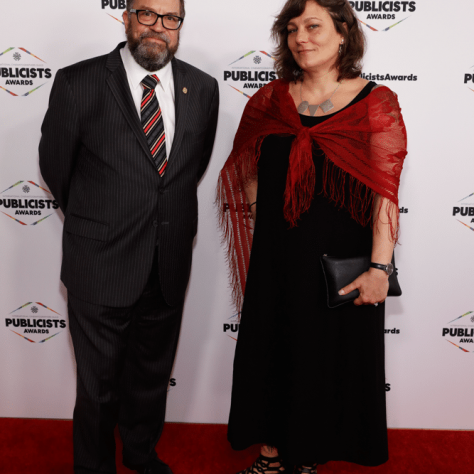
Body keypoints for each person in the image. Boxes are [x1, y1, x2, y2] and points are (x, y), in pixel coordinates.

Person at [217, 0, 407, 473]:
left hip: (339, 265)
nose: (301, 37)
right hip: (277, 259)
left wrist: (380, 268)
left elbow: (386, 192)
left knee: (322, 359)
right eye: (292, 28)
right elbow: (248, 170)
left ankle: (306, 457)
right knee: (270, 352)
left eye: (313, 26)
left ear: (344, 33)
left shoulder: (375, 102)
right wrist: (267, 224)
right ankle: (269, 456)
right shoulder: (268, 100)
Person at [39, 0, 219, 472]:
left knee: (150, 378)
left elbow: (187, 171)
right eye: (146, 13)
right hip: (99, 263)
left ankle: (141, 456)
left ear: (181, 25)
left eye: (171, 18)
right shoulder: (78, 82)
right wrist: (100, 222)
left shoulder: (202, 88)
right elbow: (57, 170)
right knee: (97, 388)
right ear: (125, 17)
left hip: (168, 261)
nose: (158, 27)